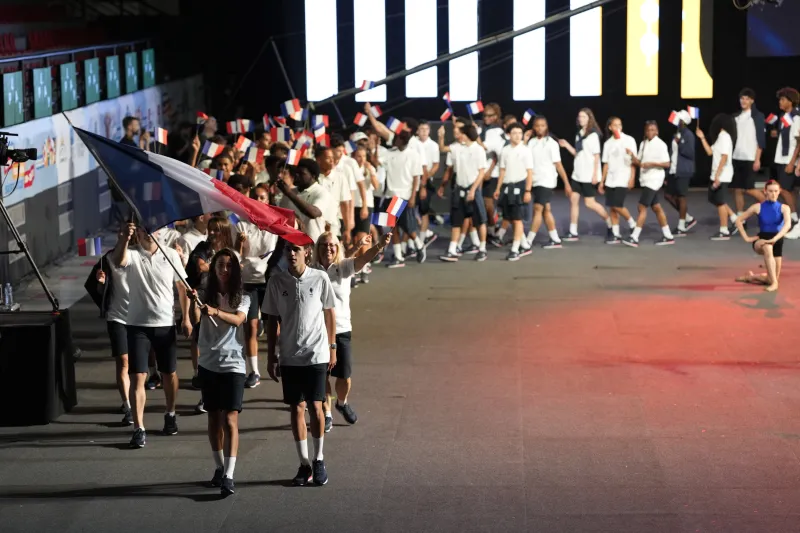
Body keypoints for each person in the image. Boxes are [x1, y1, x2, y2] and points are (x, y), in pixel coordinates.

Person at [263, 240, 337, 487]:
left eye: (296, 249)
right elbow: (272, 320)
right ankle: (304, 463)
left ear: (307, 252)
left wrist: (332, 346)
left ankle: (319, 459)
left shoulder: (320, 278)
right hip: (289, 354)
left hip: (316, 352)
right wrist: (271, 354)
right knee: (296, 408)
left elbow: (329, 312)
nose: (292, 253)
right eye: (288, 249)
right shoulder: (276, 282)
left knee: (316, 406)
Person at [112, 222, 191, 448]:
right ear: (137, 232)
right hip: (137, 325)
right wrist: (123, 240)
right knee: (139, 376)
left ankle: (171, 413)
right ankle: (139, 428)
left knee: (169, 373)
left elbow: (182, 287)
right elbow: (118, 261)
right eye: (142, 229)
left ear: (159, 231)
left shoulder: (170, 254)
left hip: (165, 323)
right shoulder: (132, 254)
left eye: (151, 228)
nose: (147, 233)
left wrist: (185, 318)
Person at [314, 231, 391, 431]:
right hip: (318, 331)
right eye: (324, 244)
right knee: (322, 375)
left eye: (332, 245)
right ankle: (327, 413)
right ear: (318, 248)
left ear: (337, 248)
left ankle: (341, 402)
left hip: (341, 329)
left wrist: (379, 245)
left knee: (344, 376)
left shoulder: (344, 267)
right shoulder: (311, 270)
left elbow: (365, 258)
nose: (328, 248)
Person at [193, 249, 250, 496]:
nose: (224, 269)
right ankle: (219, 467)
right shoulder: (205, 295)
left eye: (228, 265)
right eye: (220, 265)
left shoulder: (243, 298)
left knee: (230, 419)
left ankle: (229, 474)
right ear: (214, 269)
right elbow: (195, 318)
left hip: (234, 364)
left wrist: (215, 311)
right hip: (208, 363)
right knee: (214, 419)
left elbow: (238, 320)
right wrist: (192, 301)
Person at [228, 177, 278, 389]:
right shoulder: (238, 223)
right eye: (255, 197)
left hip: (269, 280)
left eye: (262, 197)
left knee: (274, 325)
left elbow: (273, 255)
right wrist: (239, 246)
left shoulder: (274, 223)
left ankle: (277, 360)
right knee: (251, 327)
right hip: (248, 282)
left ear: (268, 199)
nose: (258, 200)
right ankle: (254, 371)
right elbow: (236, 257)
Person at [93, 241, 133, 425]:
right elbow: (100, 291)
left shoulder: (141, 256)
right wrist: (100, 282)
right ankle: (128, 406)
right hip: (116, 316)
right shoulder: (108, 259)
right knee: (123, 361)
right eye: (123, 233)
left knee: (137, 367)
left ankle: (133, 399)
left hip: (139, 317)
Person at [558, 108, 612, 241]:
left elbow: (596, 156)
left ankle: (610, 223)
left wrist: (595, 175)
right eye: (579, 117)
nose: (581, 119)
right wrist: (566, 145)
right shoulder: (579, 134)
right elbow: (578, 153)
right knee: (573, 200)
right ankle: (573, 231)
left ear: (589, 118)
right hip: (577, 174)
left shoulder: (593, 135)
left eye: (583, 116)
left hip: (588, 175)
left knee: (589, 203)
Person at [438, 123, 489, 262]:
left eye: (460, 132)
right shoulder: (456, 148)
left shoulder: (478, 150)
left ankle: (482, 249)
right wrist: (441, 137)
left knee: (480, 220)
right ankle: (452, 250)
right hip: (459, 189)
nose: (458, 134)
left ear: (466, 134)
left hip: (473, 190)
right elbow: (442, 148)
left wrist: (473, 190)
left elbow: (481, 172)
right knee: (456, 221)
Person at [733, 180, 791, 292]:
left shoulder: (784, 208)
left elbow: (787, 225)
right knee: (768, 248)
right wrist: (747, 238)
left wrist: (775, 238)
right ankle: (775, 284)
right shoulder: (758, 207)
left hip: (777, 241)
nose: (773, 194)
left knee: (771, 277)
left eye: (775, 191)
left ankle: (750, 277)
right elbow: (739, 220)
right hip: (761, 240)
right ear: (765, 192)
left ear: (779, 192)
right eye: (770, 191)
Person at [624, 120, 674, 247]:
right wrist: (631, 156)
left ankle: (634, 236)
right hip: (646, 179)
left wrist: (652, 163)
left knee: (641, 207)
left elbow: (667, 163)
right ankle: (668, 235)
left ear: (657, 131)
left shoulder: (661, 144)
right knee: (656, 207)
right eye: (648, 130)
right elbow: (640, 162)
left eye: (652, 130)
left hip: (654, 180)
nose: (650, 132)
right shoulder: (643, 143)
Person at [525, 115, 571, 250]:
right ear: (533, 127)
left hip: (546, 180)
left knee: (537, 209)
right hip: (534, 180)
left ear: (547, 127)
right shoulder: (531, 142)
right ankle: (555, 239)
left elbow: (558, 165)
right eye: (537, 125)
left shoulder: (552, 143)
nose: (540, 128)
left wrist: (567, 184)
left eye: (543, 125)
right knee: (546, 210)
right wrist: (525, 139)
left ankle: (528, 241)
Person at [382, 129, 425, 267]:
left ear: (403, 140)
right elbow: (378, 162)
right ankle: (399, 256)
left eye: (398, 139)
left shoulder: (413, 155)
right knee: (392, 227)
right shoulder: (389, 153)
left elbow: (416, 177)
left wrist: (413, 196)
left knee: (406, 226)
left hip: (404, 195)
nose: (396, 141)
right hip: (391, 195)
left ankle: (419, 245)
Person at [493, 122, 533, 261]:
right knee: (510, 217)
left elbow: (530, 172)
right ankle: (525, 245)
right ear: (509, 135)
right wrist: (498, 188)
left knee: (517, 218)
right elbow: (502, 170)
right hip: (507, 186)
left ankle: (515, 249)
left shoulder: (525, 150)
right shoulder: (505, 150)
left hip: (520, 186)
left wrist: (528, 190)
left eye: (519, 133)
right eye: (514, 133)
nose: (517, 136)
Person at [697, 114, 738, 240]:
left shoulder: (725, 137)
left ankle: (724, 230)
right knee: (715, 199)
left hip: (722, 174)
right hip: (718, 173)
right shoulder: (721, 137)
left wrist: (717, 175)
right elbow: (710, 152)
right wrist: (702, 137)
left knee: (719, 201)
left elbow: (724, 157)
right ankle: (735, 219)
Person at [730, 88, 766, 230]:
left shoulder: (757, 116)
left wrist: (757, 159)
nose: (743, 101)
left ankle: (769, 210)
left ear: (752, 101)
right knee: (737, 188)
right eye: (742, 98)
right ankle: (741, 218)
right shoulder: (736, 117)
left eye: (746, 98)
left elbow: (761, 140)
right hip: (736, 157)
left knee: (749, 188)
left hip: (750, 157)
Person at [279, 159, 336, 245]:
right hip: (290, 244)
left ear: (313, 176)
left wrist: (289, 194)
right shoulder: (289, 193)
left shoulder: (321, 192)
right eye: (296, 172)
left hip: (313, 244)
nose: (297, 175)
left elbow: (314, 213)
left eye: (301, 173)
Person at [599, 117, 638, 244]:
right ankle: (616, 234)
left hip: (623, 177)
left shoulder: (629, 140)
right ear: (610, 127)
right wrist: (602, 181)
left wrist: (632, 178)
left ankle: (633, 224)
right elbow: (605, 163)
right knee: (612, 207)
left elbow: (634, 162)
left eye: (619, 125)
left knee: (617, 205)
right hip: (611, 179)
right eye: (615, 125)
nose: (617, 127)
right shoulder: (608, 144)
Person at [664, 110, 698, 237]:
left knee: (681, 196)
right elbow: (672, 153)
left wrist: (680, 144)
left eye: (678, 120)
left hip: (684, 170)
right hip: (673, 169)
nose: (676, 122)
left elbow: (690, 153)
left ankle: (681, 226)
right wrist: (667, 173)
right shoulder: (677, 134)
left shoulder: (689, 135)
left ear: (683, 122)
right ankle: (688, 218)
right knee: (668, 195)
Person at [772, 87, 800, 229]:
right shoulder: (784, 117)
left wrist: (792, 162)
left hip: (789, 160)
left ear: (791, 101)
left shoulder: (796, 117)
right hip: (781, 158)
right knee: (789, 189)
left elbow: (799, 142)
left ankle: (794, 217)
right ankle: (793, 216)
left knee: (783, 189)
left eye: (783, 99)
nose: (780, 102)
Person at [481, 103, 507, 237]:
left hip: (493, 173)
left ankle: (494, 229)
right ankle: (491, 230)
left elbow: (494, 153)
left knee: (488, 204)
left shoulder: (495, 131)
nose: (486, 118)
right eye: (485, 115)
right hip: (482, 172)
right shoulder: (484, 129)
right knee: (484, 205)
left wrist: (490, 171)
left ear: (496, 116)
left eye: (490, 115)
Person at [316, 146, 351, 240]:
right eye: (328, 158)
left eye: (333, 158)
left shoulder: (340, 177)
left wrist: (347, 229)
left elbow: (344, 204)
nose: (332, 161)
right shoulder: (312, 177)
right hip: (314, 224)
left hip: (333, 225)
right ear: (318, 160)